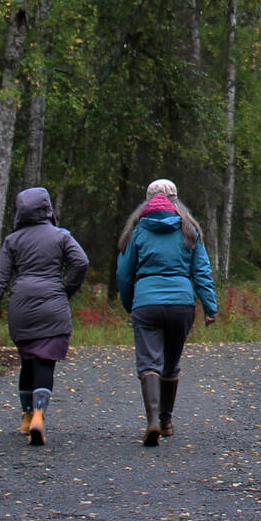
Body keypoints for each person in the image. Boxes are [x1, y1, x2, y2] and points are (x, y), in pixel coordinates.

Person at [0, 187, 88, 447]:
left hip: (22, 307)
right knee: (45, 362)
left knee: (27, 361)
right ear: (47, 209)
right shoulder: (61, 237)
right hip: (53, 305)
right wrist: (67, 289)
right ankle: (40, 413)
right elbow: (81, 262)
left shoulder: (13, 241)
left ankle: (27, 417)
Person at [114, 178, 216, 447]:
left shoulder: (137, 232)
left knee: (149, 362)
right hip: (182, 304)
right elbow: (201, 271)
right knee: (171, 362)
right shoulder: (189, 229)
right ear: (177, 199)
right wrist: (209, 307)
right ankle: (167, 421)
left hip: (146, 302)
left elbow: (124, 274)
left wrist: (130, 303)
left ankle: (152, 421)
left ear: (147, 200)